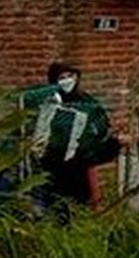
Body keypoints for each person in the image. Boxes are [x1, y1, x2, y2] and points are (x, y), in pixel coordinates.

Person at [31, 61, 128, 214]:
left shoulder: (86, 101)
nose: (68, 80)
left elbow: (96, 135)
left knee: (79, 208)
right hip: (52, 166)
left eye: (71, 76)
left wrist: (114, 141)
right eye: (62, 77)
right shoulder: (48, 102)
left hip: (80, 168)